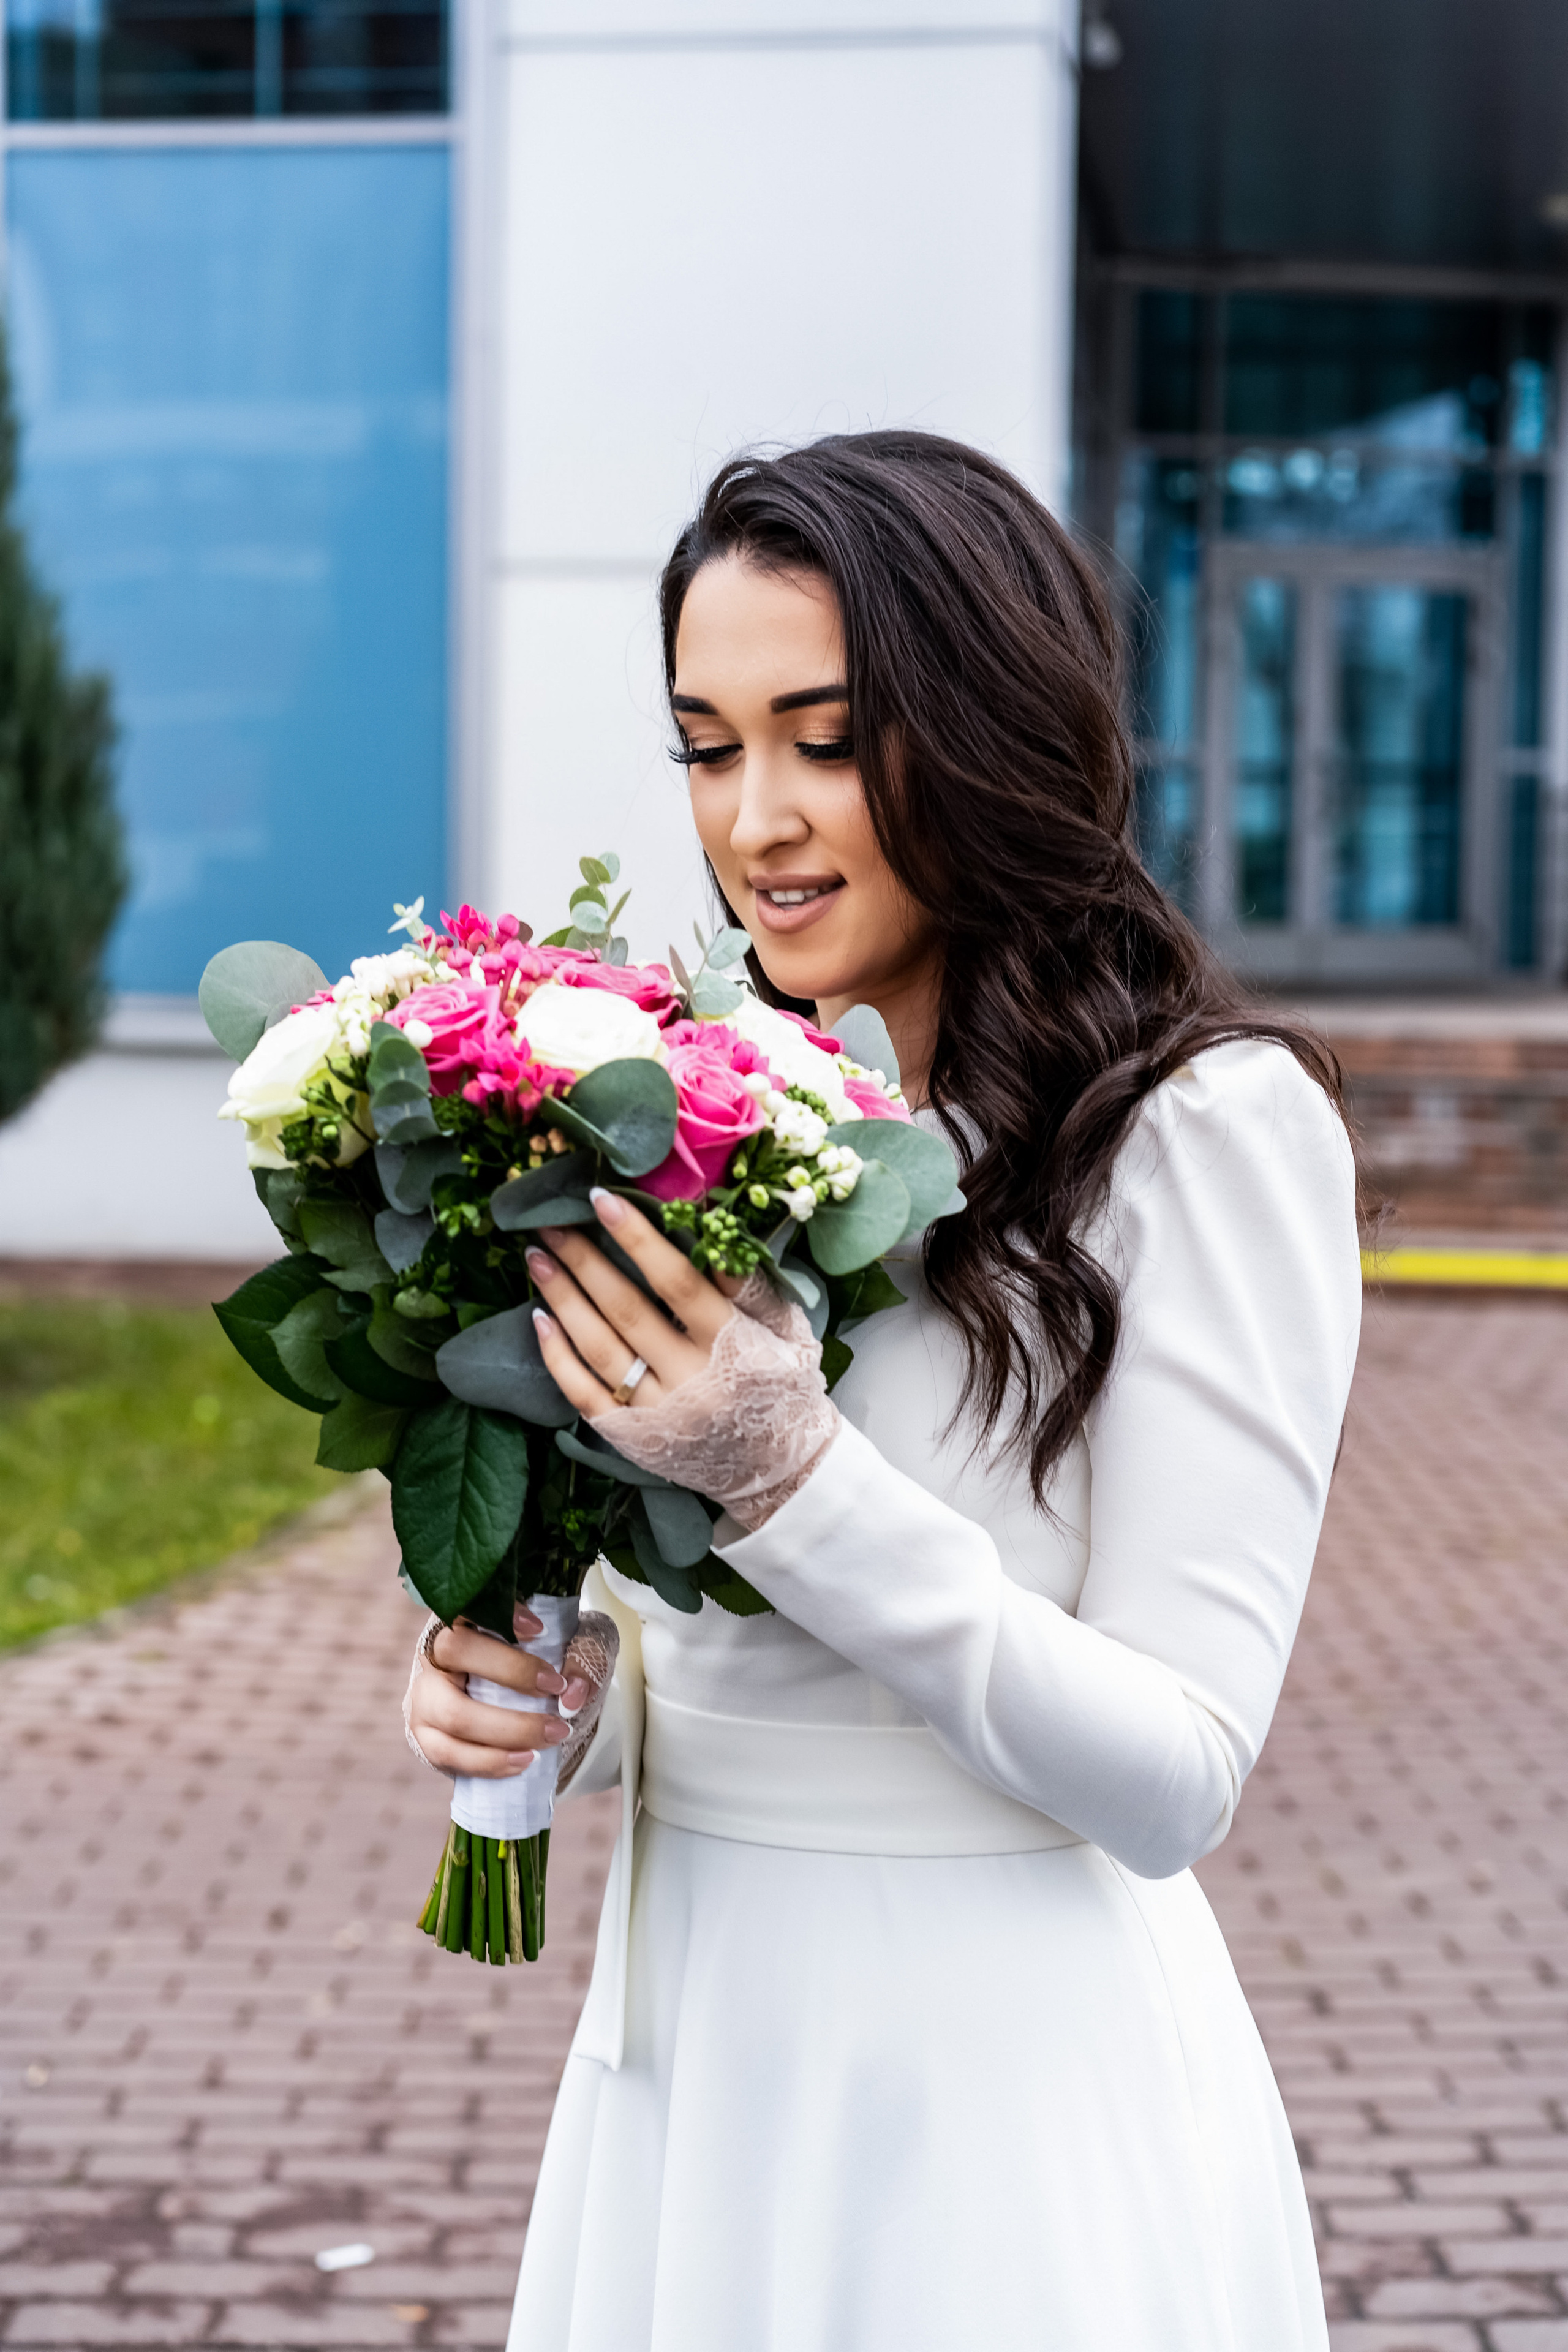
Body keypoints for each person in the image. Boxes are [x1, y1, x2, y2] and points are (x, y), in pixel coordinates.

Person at [404, 431, 1361, 2351]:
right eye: (708, 742)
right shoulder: (687, 1127)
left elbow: (1176, 1775)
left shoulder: (1200, 1136)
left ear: (990, 723)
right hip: (692, 2059)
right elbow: (718, 1678)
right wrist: (545, 1713)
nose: (755, 816)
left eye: (826, 738)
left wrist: (788, 1476)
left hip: (1002, 2101)